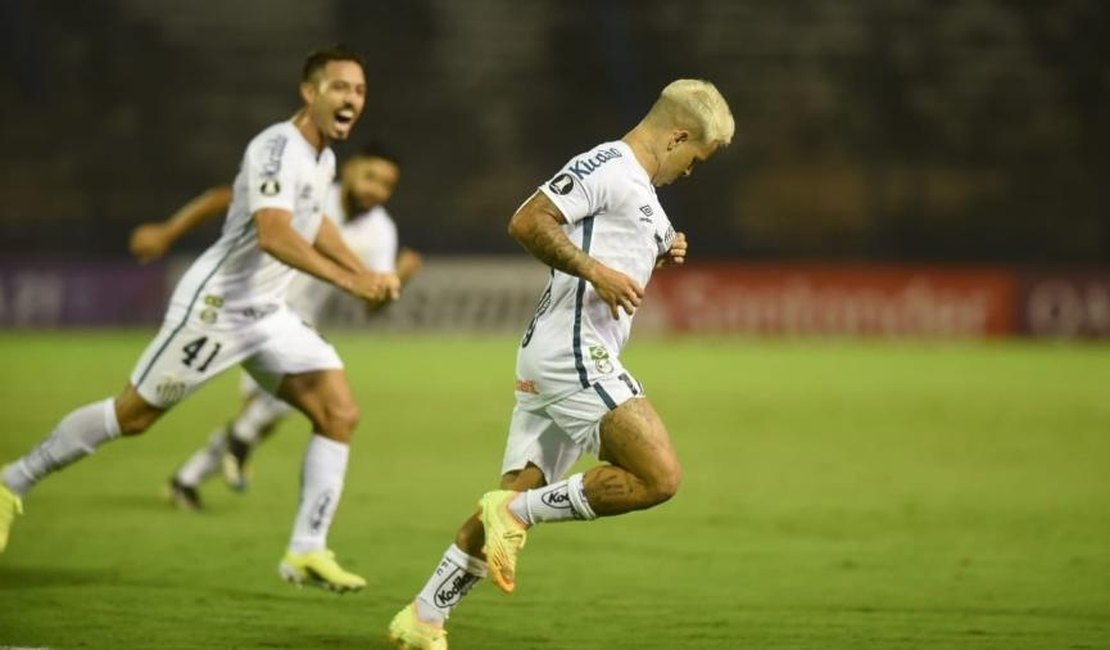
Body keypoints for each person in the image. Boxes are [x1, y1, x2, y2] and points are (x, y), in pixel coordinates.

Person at [0, 45, 398, 593]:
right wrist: (352, 281)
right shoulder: (277, 148)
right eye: (339, 88)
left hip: (267, 315)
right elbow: (276, 235)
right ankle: (10, 484)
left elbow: (313, 225)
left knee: (339, 413)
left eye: (358, 90)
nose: (351, 98)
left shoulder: (324, 158)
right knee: (133, 416)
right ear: (309, 93)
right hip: (217, 310)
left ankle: (306, 550)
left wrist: (364, 271)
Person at [386, 79, 734, 649]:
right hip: (574, 351)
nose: (692, 172)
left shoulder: (643, 193)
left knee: (514, 492)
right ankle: (518, 511)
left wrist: (666, 247)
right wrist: (596, 271)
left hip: (557, 352)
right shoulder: (607, 164)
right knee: (658, 476)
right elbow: (528, 220)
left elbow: (628, 236)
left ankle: (423, 618)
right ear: (677, 136)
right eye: (696, 158)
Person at [128, 144, 421, 510]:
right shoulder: (309, 193)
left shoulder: (381, 231)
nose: (376, 189)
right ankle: (221, 450)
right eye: (371, 176)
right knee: (150, 406)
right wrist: (169, 232)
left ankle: (188, 479)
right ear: (349, 169)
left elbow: (370, 305)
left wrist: (397, 280)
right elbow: (225, 197)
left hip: (293, 324)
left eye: (387, 184)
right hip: (242, 306)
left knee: (273, 410)